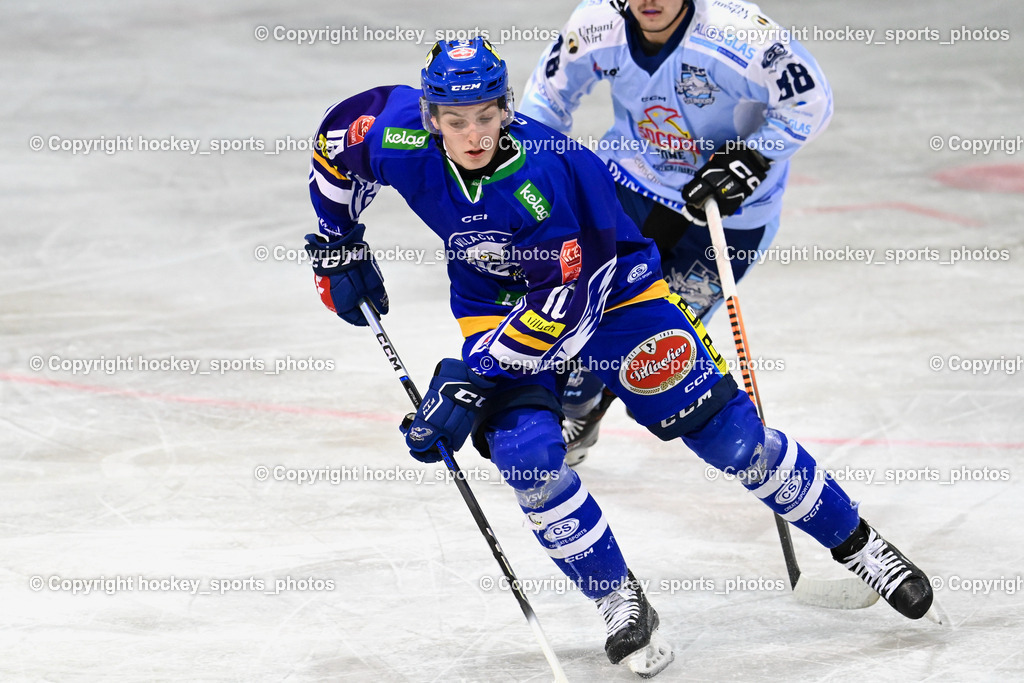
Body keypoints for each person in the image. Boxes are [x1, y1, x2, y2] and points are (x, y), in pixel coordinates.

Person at [305, 37, 933, 678]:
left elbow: (567, 308)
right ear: (431, 119)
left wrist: (472, 378)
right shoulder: (395, 135)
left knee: (732, 439)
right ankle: (618, 598)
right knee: (527, 459)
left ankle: (860, 546)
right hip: (497, 304)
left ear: (506, 108)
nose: (473, 134)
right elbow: (336, 147)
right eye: (456, 120)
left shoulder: (542, 175)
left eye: (487, 116)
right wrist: (337, 243)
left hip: (613, 297)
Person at [520, 0, 831, 464]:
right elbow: (546, 97)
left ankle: (590, 401)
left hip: (727, 212)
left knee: (658, 335)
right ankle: (575, 406)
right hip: (631, 181)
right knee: (583, 307)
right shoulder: (596, 24)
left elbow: (810, 99)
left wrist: (755, 156)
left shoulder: (739, 36)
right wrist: (537, 171)